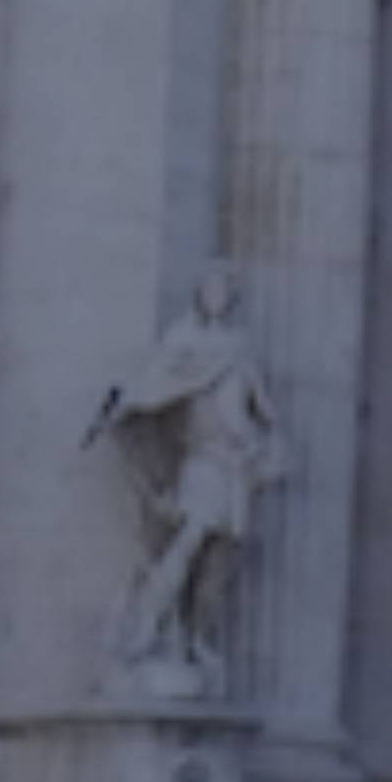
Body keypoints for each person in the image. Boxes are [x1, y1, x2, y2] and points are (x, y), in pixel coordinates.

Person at [95, 263, 285, 692]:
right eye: (211, 288)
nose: (217, 296)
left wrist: (264, 443)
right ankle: (150, 632)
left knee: (218, 559)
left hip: (233, 466)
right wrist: (126, 407)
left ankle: (193, 640)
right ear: (201, 294)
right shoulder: (182, 343)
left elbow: (263, 407)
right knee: (185, 546)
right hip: (201, 463)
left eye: (225, 289)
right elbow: (153, 387)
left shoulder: (240, 347)